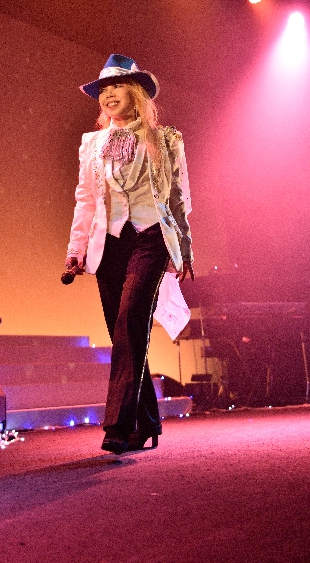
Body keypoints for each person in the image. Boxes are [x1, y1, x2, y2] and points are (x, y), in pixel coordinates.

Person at [64, 54, 194, 454]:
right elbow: (86, 199)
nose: (108, 95)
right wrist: (75, 249)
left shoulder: (166, 140)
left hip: (151, 237)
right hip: (108, 243)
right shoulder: (92, 144)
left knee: (129, 320)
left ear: (135, 92)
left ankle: (119, 426)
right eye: (103, 90)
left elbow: (179, 197)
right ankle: (147, 421)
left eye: (116, 86)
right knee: (124, 333)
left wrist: (184, 248)